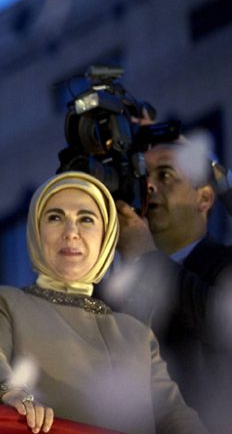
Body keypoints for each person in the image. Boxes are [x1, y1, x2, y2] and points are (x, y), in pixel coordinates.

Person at [0, 171, 206, 433]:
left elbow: (174, 413)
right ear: (35, 230)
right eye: (55, 217)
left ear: (106, 237)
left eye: (86, 219)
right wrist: (10, 393)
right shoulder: (2, 302)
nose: (71, 233)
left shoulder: (137, 332)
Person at [103, 140, 232, 432]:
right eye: (142, 175)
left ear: (205, 198)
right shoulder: (113, 287)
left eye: (164, 176)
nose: (148, 186)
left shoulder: (225, 263)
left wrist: (147, 259)